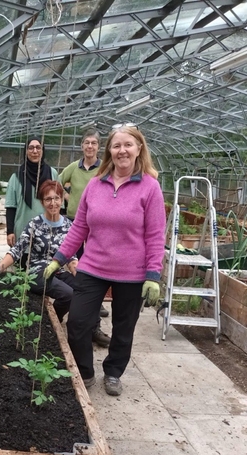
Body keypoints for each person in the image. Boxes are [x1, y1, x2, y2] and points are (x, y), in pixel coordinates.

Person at [44, 125, 166, 396]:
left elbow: (156, 235)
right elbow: (79, 228)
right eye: (116, 145)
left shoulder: (150, 187)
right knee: (77, 323)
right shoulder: (95, 184)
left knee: (124, 328)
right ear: (109, 150)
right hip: (93, 266)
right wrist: (59, 258)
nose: (122, 150)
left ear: (139, 149)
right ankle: (85, 372)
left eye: (128, 145)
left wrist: (153, 275)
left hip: (131, 273)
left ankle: (112, 372)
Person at [0, 180, 77, 322]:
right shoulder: (35, 224)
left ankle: (55, 320)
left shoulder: (68, 226)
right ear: (42, 202)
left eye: (56, 198)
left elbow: (71, 256)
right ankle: (51, 322)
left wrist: (80, 275)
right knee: (68, 294)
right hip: (38, 273)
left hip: (58, 271)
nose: (53, 203)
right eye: (48, 199)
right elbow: (18, 249)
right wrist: (0, 266)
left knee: (82, 289)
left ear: (61, 200)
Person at [60, 127, 110, 348]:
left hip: (97, 226)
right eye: (87, 143)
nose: (90, 147)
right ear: (82, 146)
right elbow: (57, 182)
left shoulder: (105, 169)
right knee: (78, 269)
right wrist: (68, 198)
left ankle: (94, 318)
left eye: (94, 143)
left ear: (99, 147)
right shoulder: (74, 167)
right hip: (74, 223)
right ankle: (83, 310)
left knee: (95, 269)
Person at [5, 136, 58, 254]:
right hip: (22, 232)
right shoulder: (17, 176)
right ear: (26, 151)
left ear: (43, 151)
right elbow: (10, 207)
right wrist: (10, 232)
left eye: (38, 147)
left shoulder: (52, 174)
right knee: (22, 268)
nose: (35, 151)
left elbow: (59, 206)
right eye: (31, 148)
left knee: (45, 269)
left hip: (47, 232)